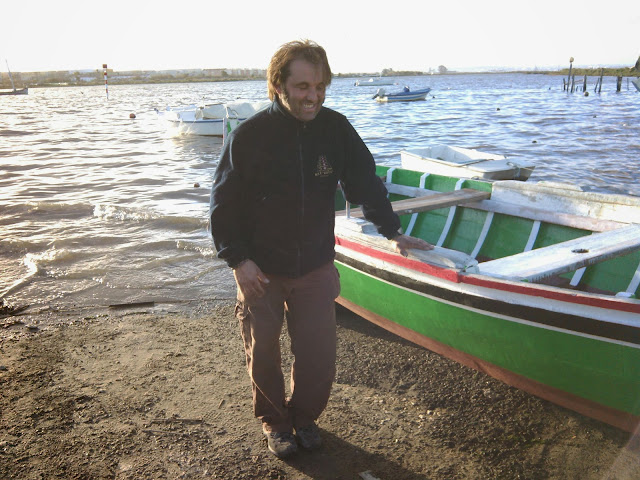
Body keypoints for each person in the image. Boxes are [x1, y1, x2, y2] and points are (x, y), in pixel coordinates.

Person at [209, 39, 432, 459]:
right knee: (263, 353)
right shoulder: (249, 136)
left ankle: (305, 416)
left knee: (318, 357)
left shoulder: (336, 129)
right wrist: (238, 260)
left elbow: (365, 183)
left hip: (314, 264)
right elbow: (222, 204)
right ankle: (276, 422)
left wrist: (393, 232)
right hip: (261, 269)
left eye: (320, 86)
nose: (313, 96)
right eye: (303, 87)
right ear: (278, 85)